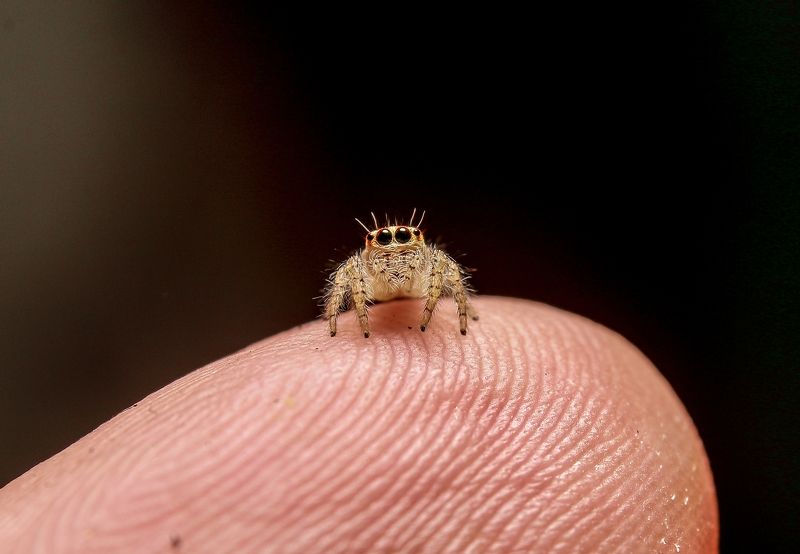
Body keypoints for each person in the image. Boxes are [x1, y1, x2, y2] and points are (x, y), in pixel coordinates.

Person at [0, 297, 718, 552]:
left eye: (407, 241)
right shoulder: (368, 270)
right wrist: (350, 325)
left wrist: (458, 318)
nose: (398, 250)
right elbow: (346, 282)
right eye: (385, 243)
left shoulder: (424, 262)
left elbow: (444, 277)